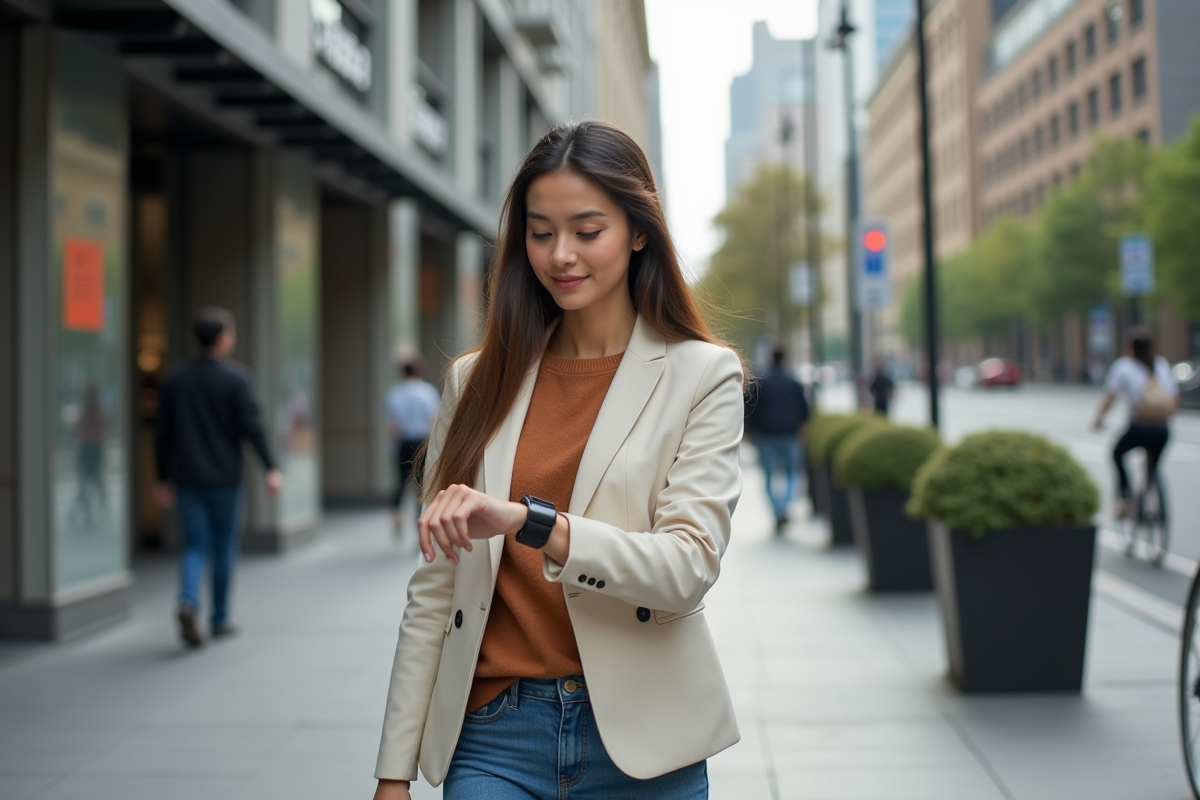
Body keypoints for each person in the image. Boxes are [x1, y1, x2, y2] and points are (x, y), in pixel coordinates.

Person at [373, 121, 746, 800]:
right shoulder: (476, 380)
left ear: (638, 231)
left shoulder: (703, 376)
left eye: (586, 229)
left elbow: (687, 566)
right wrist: (393, 772)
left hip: (643, 740)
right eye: (540, 232)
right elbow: (435, 590)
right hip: (494, 736)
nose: (560, 254)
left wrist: (530, 521)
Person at [155, 307, 283, 648]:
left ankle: (187, 600)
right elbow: (252, 427)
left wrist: (162, 477)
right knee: (224, 545)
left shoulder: (175, 379)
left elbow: (162, 433)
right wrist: (270, 468)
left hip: (186, 477)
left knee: (195, 544)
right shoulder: (236, 378)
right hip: (225, 478)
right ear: (224, 338)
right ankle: (220, 617)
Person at [1091, 326, 1179, 517]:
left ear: (1129, 347)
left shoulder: (1123, 367)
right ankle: (1151, 496)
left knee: (1117, 454)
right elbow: (1174, 400)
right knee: (1152, 467)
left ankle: (1127, 500)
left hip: (1138, 427)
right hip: (1162, 429)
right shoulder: (1161, 364)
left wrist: (1098, 419)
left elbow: (1110, 398)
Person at [744, 346, 809, 531]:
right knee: (792, 473)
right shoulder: (793, 382)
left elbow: (750, 408)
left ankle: (777, 509)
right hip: (790, 434)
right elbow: (804, 408)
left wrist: (749, 430)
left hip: (766, 435)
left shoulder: (761, 382)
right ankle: (784, 507)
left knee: (768, 476)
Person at [386, 360, 441, 537]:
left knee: (400, 482)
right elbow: (433, 420)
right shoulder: (427, 391)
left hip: (403, 441)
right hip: (422, 442)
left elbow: (393, 426)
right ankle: (420, 523)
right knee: (422, 485)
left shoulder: (394, 393)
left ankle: (397, 517)